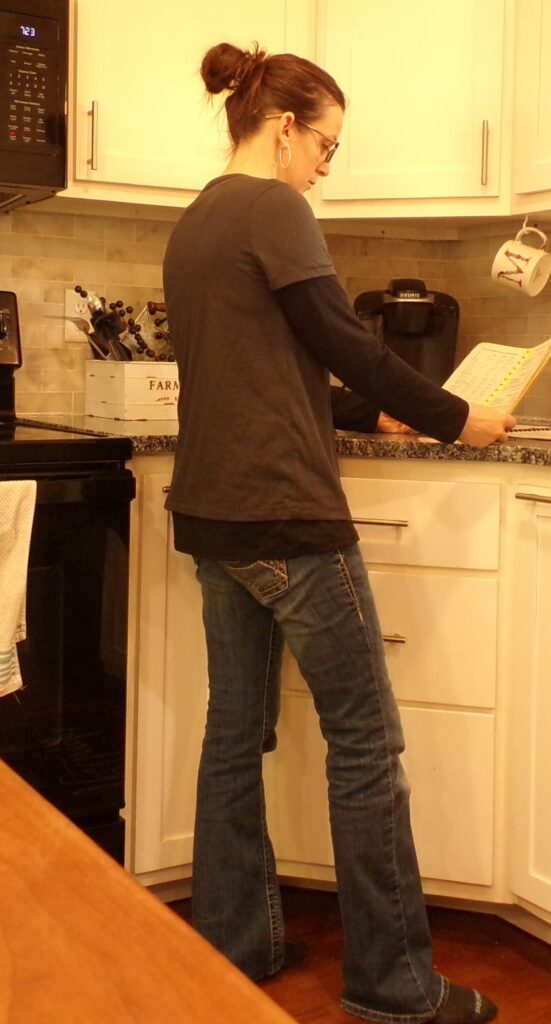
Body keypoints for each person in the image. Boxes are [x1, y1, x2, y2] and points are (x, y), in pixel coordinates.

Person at [163, 41, 515, 1024]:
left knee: (234, 734)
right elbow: (343, 338)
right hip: (286, 514)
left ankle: (236, 943)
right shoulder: (275, 208)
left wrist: (370, 416)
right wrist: (453, 414)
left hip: (215, 516)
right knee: (364, 742)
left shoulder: (193, 221)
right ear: (283, 128)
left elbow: (266, 370)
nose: (326, 164)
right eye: (325, 143)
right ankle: (394, 986)